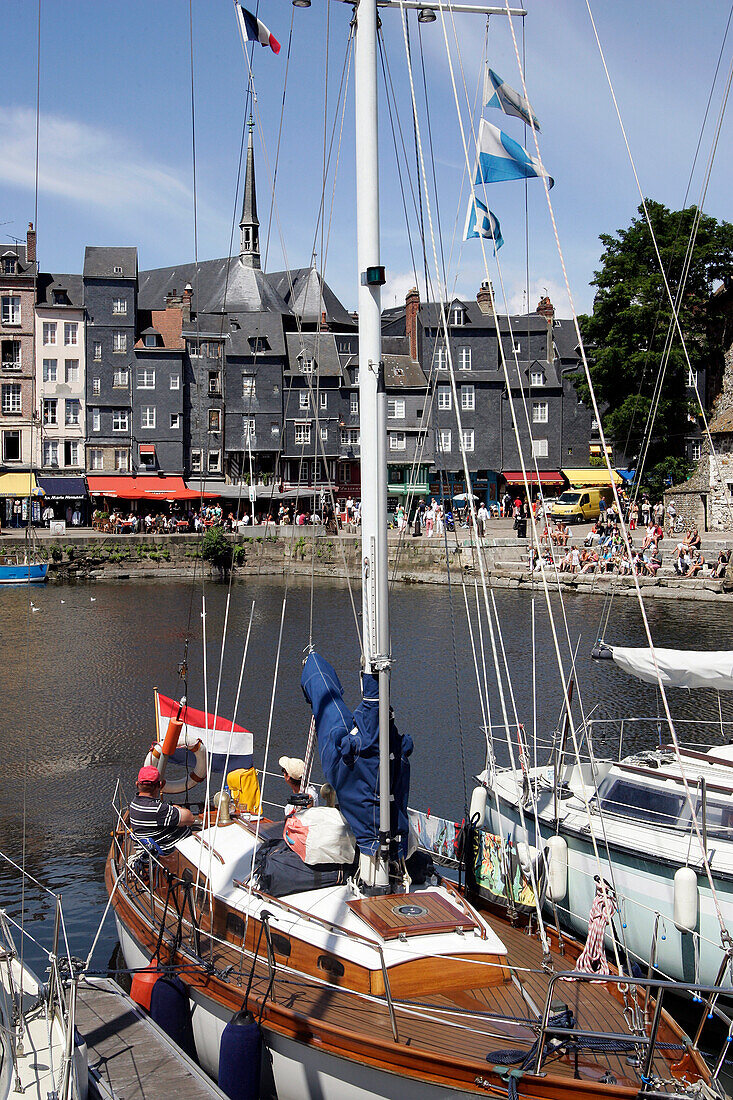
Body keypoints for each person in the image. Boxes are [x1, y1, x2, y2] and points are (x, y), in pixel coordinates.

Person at [129, 765, 195, 854]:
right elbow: (190, 819)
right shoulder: (159, 810)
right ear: (160, 785)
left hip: (149, 847)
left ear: (137, 784)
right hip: (171, 852)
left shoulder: (134, 804)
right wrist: (177, 808)